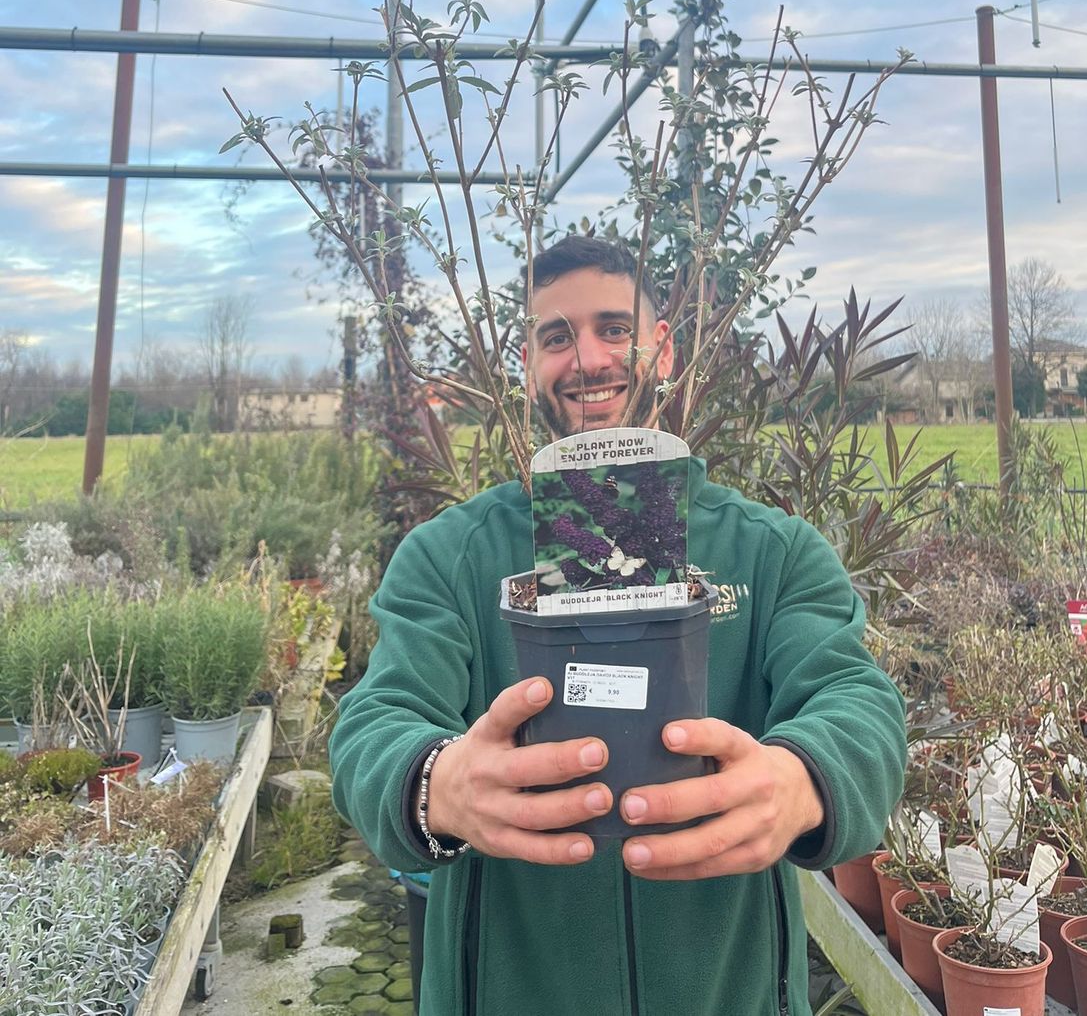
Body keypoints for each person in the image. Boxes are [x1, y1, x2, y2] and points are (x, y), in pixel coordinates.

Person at [330, 236, 906, 1015]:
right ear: (526, 362)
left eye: (612, 328)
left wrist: (802, 781)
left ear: (660, 349)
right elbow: (374, 721)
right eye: (555, 337)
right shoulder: (450, 555)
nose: (588, 359)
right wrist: (436, 784)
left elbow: (855, 700)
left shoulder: (770, 552)